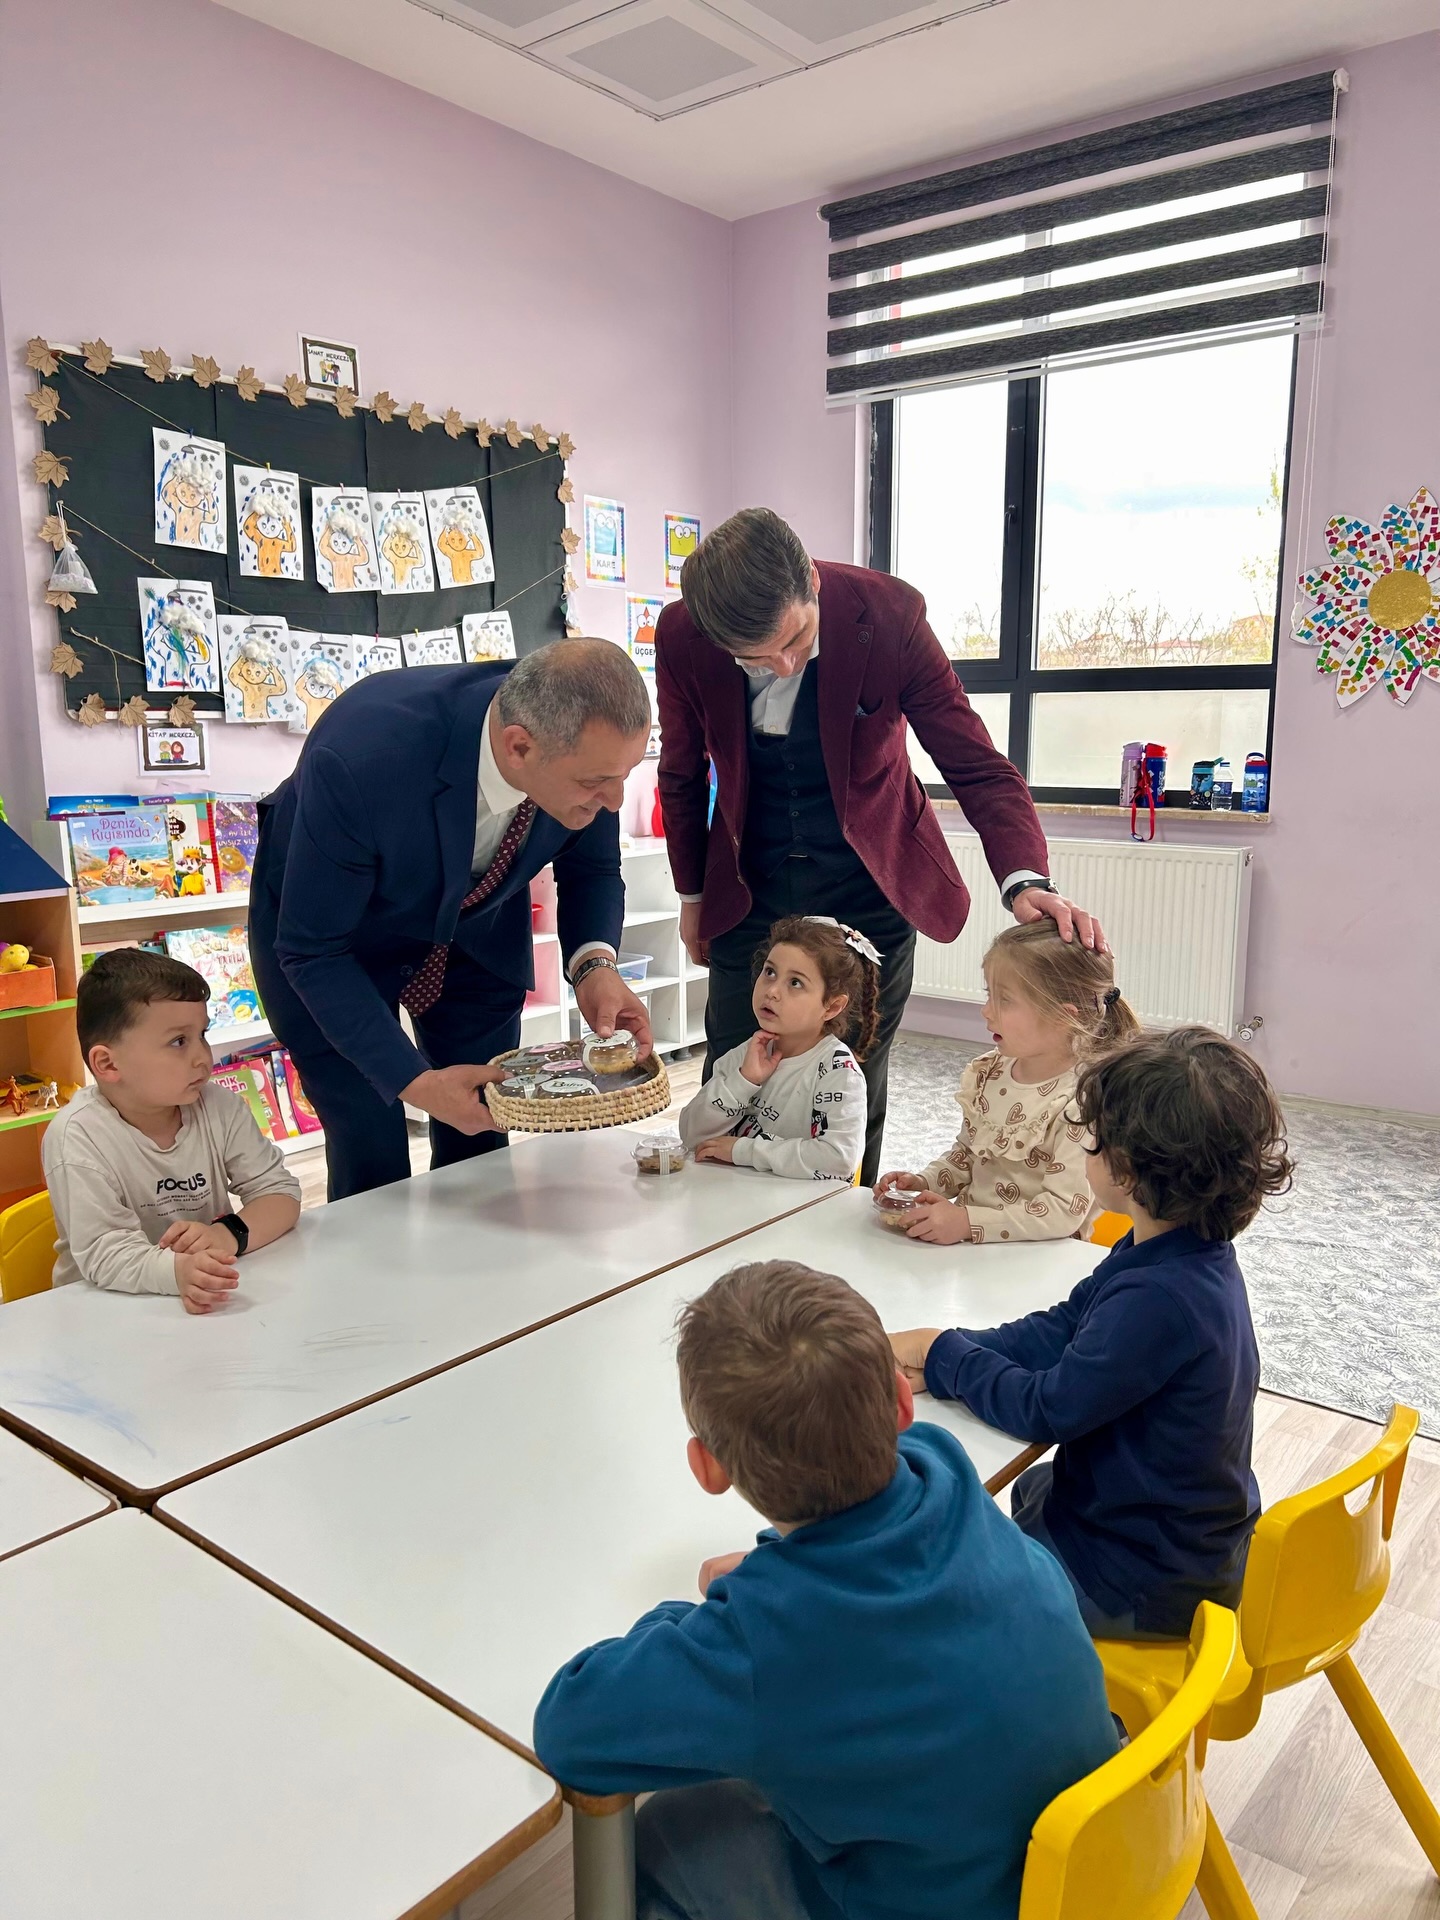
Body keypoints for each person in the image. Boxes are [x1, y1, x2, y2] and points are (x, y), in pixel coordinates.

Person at [533, 1260, 1117, 1920]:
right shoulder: (945, 1470)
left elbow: (568, 1727)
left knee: (667, 1829)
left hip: (950, 1904)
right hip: (1091, 1870)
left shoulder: (763, 1643)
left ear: (708, 1468)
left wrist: (701, 1618)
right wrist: (773, 1581)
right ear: (901, 1402)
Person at [655, 507, 1105, 1187]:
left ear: (812, 581)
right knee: (736, 1072)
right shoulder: (681, 634)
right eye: (755, 660)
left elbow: (975, 763)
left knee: (852, 1083)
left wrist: (1026, 880)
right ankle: (729, 1240)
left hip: (870, 884)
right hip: (748, 885)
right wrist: (691, 895)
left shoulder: (889, 615)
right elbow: (681, 775)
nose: (782, 666)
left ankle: (836, 1237)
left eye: (795, 640)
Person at [890, 1028, 1294, 1639]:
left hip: (1141, 1577)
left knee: (935, 1588)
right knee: (1027, 1490)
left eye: (1093, 1139)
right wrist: (947, 1349)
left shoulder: (1160, 1299)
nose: (1085, 1147)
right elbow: (1064, 1326)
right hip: (1167, 1534)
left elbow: (1047, 1410)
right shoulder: (1177, 1246)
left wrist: (946, 1355)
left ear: (1126, 1170)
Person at [250, 640, 656, 1202]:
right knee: (370, 1137)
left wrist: (595, 967)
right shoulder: (361, 755)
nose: (614, 800)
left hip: (477, 929)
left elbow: (592, 869)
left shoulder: (587, 752)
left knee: (483, 1124)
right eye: (597, 784)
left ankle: (480, 1256)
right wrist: (415, 1082)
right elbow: (314, 950)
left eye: (626, 775)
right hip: (337, 942)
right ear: (519, 747)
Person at [41, 950, 301, 1314]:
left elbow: (280, 1193)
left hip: (204, 1300)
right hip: (104, 1312)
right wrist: (176, 1271)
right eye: (179, 1041)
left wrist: (226, 1234)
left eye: (202, 1035)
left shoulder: (220, 1106)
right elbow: (105, 1251)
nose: (203, 1057)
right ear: (108, 1063)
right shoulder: (77, 1136)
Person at [877, 919, 1138, 1244]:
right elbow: (967, 1155)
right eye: (989, 995)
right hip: (975, 1248)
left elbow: (1061, 1212)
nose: (986, 1011)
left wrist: (967, 1222)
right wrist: (925, 1183)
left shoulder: (1083, 1100)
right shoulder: (991, 1071)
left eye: (1005, 1000)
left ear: (1063, 1016)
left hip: (1041, 1259)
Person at [679, 915, 875, 1182]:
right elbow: (690, 1135)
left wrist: (744, 1150)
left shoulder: (838, 1072)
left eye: (795, 983)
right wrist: (743, 1082)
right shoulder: (746, 1055)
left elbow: (839, 1160)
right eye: (770, 972)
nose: (772, 991)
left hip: (805, 1206)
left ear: (832, 1007)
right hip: (737, 1196)